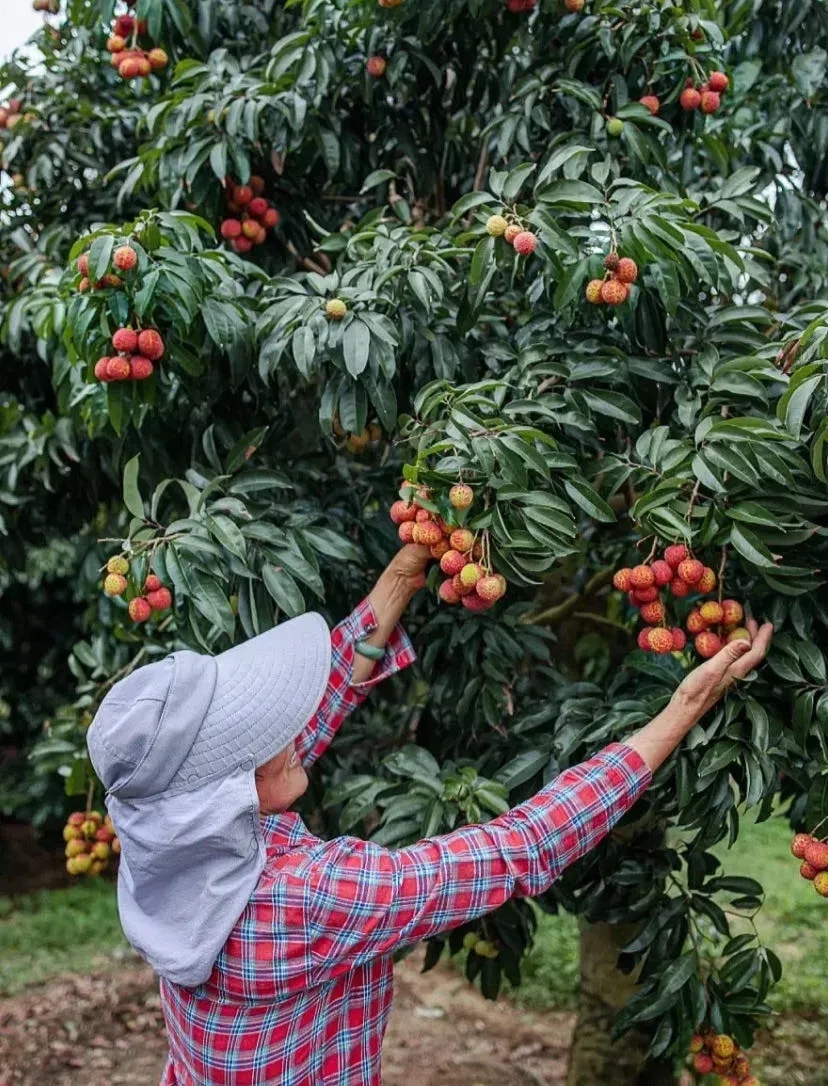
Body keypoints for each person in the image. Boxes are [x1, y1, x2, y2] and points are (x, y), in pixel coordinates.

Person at [87, 544, 773, 1086]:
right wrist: (681, 710)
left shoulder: (170, 848)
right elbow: (516, 847)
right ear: (227, 791)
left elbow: (304, 718)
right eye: (261, 734)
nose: (293, 727)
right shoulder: (302, 899)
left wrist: (402, 577)